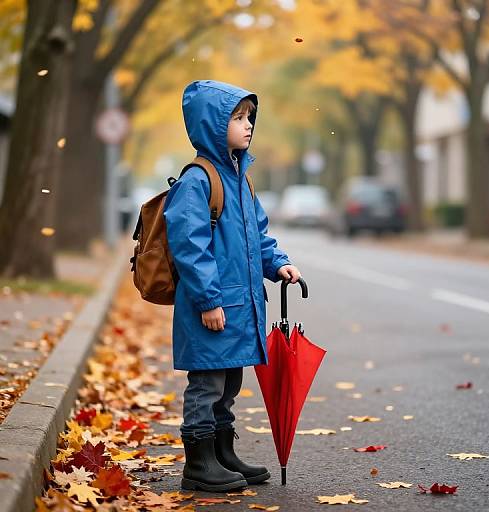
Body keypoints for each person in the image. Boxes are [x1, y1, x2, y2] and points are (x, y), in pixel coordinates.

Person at [163, 80, 301, 493]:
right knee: (206, 384)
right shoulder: (198, 180)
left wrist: (278, 264)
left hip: (240, 306)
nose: (247, 126)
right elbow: (190, 246)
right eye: (237, 118)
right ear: (211, 125)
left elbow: (257, 235)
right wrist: (208, 300)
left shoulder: (240, 177)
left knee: (229, 384)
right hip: (213, 306)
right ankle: (199, 463)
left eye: (249, 117)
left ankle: (223, 453)